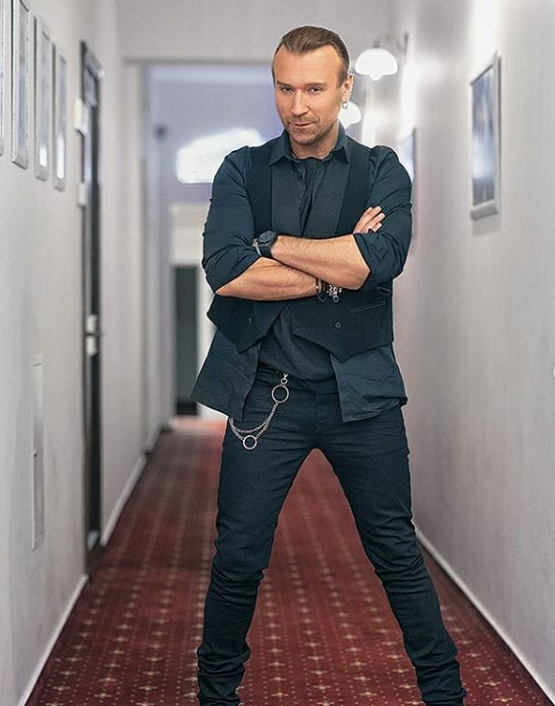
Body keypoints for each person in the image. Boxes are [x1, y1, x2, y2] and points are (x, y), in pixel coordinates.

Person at [192, 25, 467, 706]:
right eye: (285, 88)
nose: (298, 105)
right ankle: (216, 694)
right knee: (238, 557)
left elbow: (382, 260)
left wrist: (270, 244)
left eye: (314, 88)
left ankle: (445, 693)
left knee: (395, 550)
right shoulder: (241, 169)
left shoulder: (382, 169)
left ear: (345, 89)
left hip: (360, 393)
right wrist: (338, 264)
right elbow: (227, 271)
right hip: (265, 394)